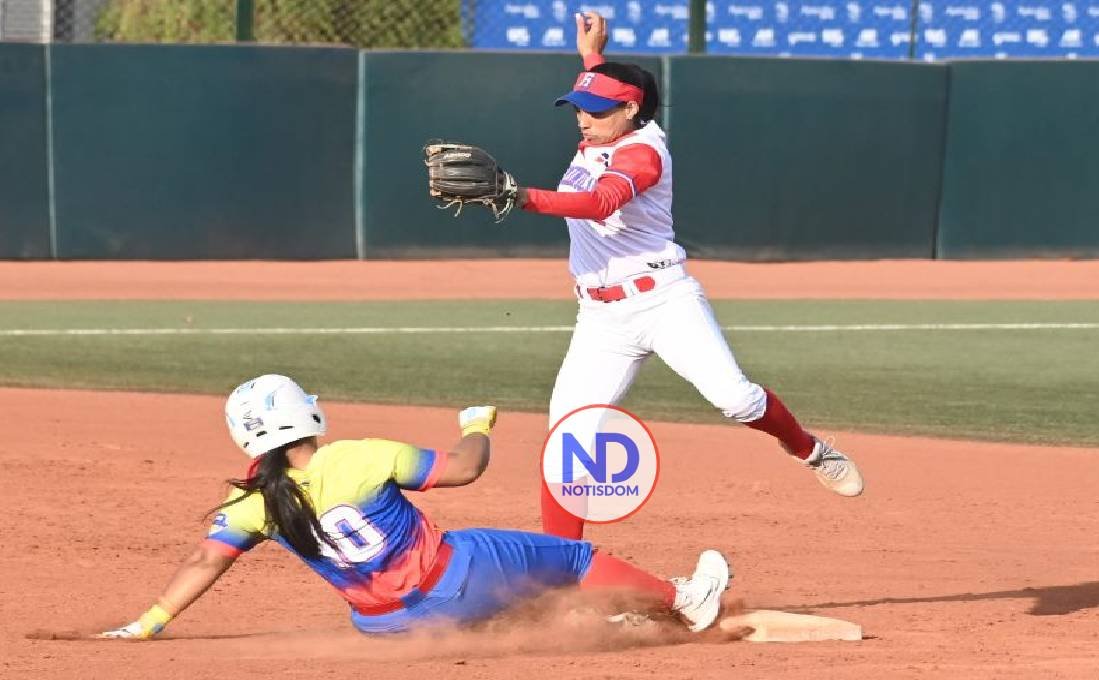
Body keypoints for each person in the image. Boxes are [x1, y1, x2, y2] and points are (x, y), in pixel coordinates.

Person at [515, 13, 866, 540]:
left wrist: (518, 196)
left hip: (664, 303)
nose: (583, 120)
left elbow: (598, 201)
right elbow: (604, 102)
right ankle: (557, 570)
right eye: (578, 108)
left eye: (595, 109)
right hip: (601, 318)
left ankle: (809, 449)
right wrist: (593, 60)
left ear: (631, 108)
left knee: (736, 399)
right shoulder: (610, 122)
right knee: (569, 437)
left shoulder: (644, 152)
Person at [95, 374, 730, 639]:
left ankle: (597, 623)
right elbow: (464, 469)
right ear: (307, 415)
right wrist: (477, 423)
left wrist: (147, 623)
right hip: (456, 583)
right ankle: (684, 600)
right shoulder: (358, 456)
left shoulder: (252, 502)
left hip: (384, 627)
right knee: (574, 555)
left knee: (498, 586)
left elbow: (204, 560)